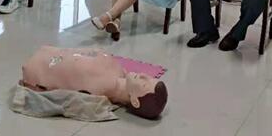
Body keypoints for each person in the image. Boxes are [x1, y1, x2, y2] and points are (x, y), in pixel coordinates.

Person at [20, 45, 168, 119]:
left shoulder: (105, 88)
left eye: (144, 83)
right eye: (149, 77)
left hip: (42, 66)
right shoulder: (119, 73)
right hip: (53, 54)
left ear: (135, 101)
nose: (143, 75)